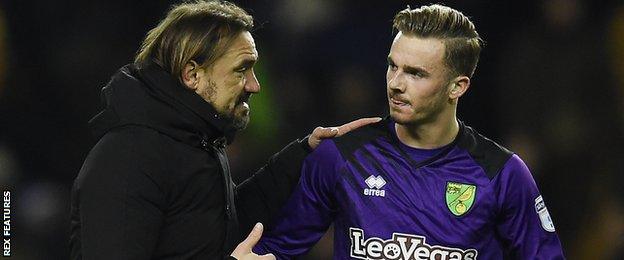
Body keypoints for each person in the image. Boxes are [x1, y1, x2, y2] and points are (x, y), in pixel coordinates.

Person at [68, 1, 379, 259]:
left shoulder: (194, 141)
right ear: (192, 75)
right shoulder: (129, 158)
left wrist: (305, 152)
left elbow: (219, 225)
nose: (255, 86)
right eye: (241, 70)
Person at [254, 4, 566, 259]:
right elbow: (278, 250)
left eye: (415, 73)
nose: (395, 84)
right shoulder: (342, 156)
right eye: (393, 66)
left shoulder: (501, 173)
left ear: (457, 87)